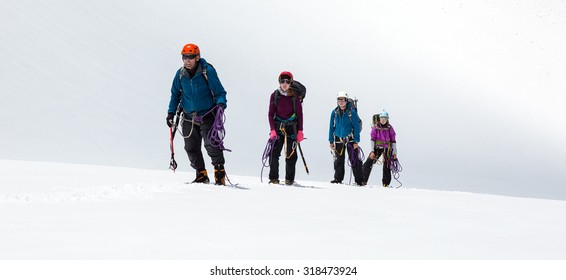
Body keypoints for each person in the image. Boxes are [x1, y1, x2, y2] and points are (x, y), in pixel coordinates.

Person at [166, 43, 228, 185]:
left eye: (190, 57)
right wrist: (170, 113)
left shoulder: (208, 71)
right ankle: (201, 174)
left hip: (207, 115)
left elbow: (220, 92)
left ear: (197, 57)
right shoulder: (180, 74)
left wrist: (221, 105)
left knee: (211, 145)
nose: (187, 60)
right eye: (184, 57)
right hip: (188, 116)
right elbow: (175, 95)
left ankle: (219, 172)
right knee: (190, 148)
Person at [267, 71, 304, 185]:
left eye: (287, 81)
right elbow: (270, 114)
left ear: (290, 83)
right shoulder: (275, 95)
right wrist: (272, 129)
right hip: (278, 127)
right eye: (283, 81)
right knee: (273, 153)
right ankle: (273, 179)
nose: (285, 83)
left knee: (291, 154)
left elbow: (299, 114)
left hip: (291, 128)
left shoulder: (295, 97)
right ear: (279, 82)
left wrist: (300, 131)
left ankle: (289, 179)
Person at [328, 91, 364, 185]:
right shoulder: (334, 112)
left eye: (343, 100)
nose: (341, 102)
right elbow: (331, 127)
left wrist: (356, 140)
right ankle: (338, 179)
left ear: (346, 100)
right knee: (338, 160)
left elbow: (356, 127)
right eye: (339, 99)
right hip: (338, 138)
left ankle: (359, 180)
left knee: (354, 159)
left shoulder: (351, 113)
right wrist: (331, 141)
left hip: (350, 139)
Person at [361, 111, 397, 187]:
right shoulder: (375, 128)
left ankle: (386, 184)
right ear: (379, 119)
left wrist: (395, 153)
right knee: (368, 163)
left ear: (387, 119)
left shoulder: (390, 128)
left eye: (385, 118)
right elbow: (372, 140)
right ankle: (362, 180)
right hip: (377, 148)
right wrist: (372, 151)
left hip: (388, 148)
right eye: (381, 118)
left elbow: (393, 141)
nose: (383, 120)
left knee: (387, 166)